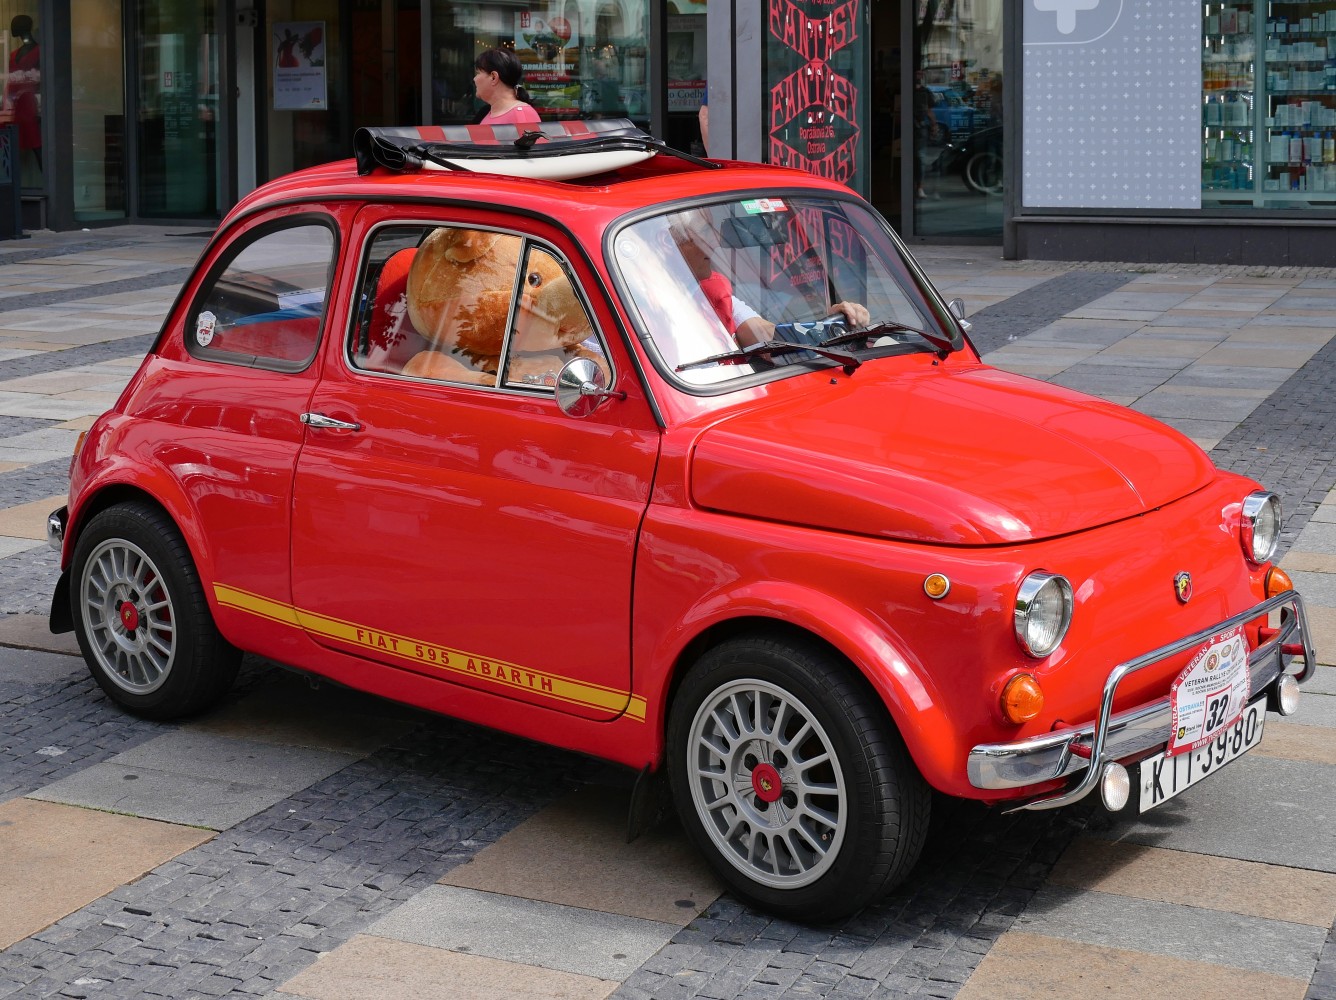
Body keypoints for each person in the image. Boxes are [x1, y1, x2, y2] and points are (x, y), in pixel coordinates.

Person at [667, 214, 868, 350]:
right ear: (669, 242)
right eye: (703, 232)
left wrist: (830, 326)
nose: (715, 242)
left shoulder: (715, 292)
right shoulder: (652, 307)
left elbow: (768, 335)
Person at [4, 15, 40, 172]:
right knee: (11, 146)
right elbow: (11, 81)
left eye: (16, 24)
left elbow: (41, 81)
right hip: (15, 106)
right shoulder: (13, 55)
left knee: (36, 145)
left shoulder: (39, 51)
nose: (12, 28)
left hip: (30, 105)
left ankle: (50, 180)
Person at [473, 48, 541, 126]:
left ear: (494, 77)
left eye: (478, 73)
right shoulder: (485, 113)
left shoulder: (522, 114)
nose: (474, 79)